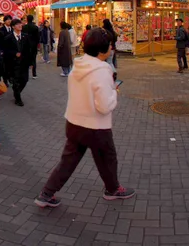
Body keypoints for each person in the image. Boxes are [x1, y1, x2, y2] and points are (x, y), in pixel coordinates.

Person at [34, 28, 135, 208]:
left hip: (74, 122)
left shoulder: (79, 64)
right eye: (110, 45)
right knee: (107, 158)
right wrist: (114, 92)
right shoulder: (102, 70)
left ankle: (46, 193)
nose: (112, 48)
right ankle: (112, 189)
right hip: (96, 126)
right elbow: (104, 106)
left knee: (68, 161)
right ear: (102, 49)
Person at [3, 19, 31, 107]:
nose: (20, 25)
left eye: (20, 24)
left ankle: (17, 92)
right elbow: (5, 51)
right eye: (17, 24)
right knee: (15, 81)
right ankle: (18, 99)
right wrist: (14, 53)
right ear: (13, 26)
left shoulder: (25, 36)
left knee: (25, 80)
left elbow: (29, 50)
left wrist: (31, 62)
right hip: (13, 64)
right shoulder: (8, 38)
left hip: (24, 63)